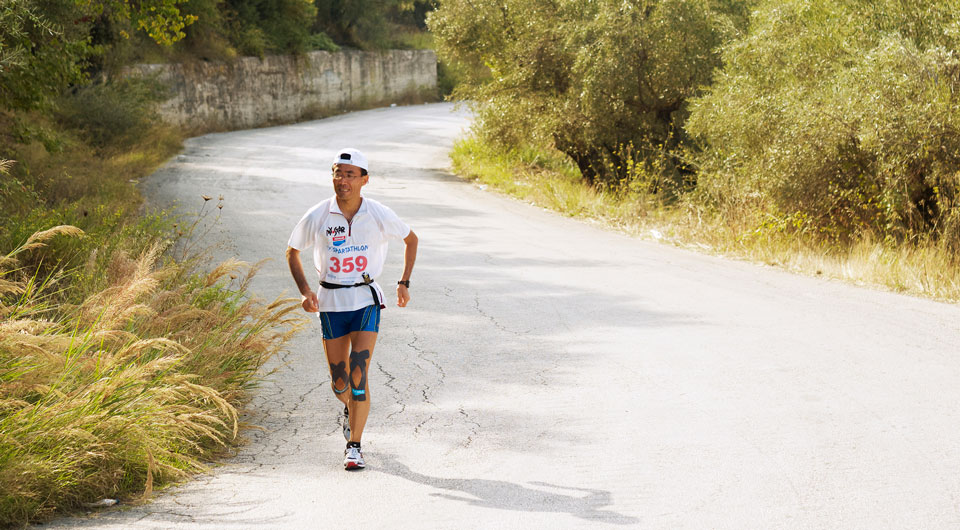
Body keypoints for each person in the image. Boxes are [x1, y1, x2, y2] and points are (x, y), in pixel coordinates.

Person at [286, 148, 418, 470]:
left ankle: (354, 446)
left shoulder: (377, 213)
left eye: (350, 174)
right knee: (340, 383)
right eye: (337, 173)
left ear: (364, 180)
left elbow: (411, 239)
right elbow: (292, 252)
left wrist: (404, 282)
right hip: (331, 303)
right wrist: (305, 292)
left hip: (366, 300)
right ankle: (350, 408)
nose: (342, 181)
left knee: (358, 377)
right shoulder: (319, 214)